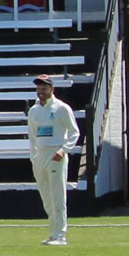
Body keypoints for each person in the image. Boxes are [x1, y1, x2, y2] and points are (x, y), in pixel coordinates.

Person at [27, 75, 81, 246]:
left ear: (52, 89)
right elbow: (32, 136)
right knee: (46, 197)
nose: (41, 91)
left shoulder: (62, 108)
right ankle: (53, 232)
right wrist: (33, 157)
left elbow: (74, 132)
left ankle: (60, 235)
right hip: (40, 156)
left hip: (55, 154)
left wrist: (63, 150)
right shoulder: (33, 110)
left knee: (58, 196)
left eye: (44, 88)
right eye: (39, 88)